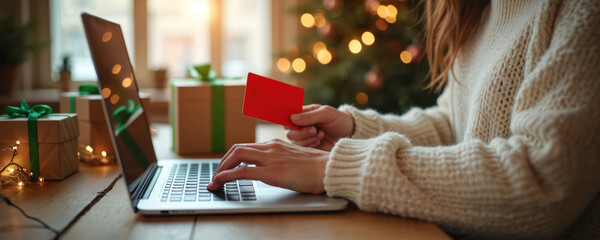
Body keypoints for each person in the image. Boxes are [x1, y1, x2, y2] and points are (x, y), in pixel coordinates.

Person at [208, 0, 600, 238]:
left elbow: (545, 179)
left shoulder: (580, 14)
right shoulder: (483, 11)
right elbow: (452, 127)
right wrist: (355, 130)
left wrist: (338, 167)